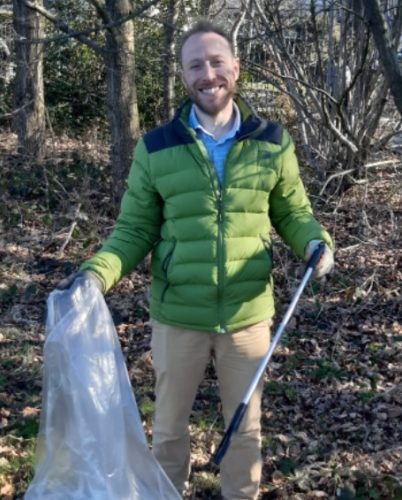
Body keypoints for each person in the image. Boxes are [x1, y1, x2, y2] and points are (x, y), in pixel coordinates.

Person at [58, 20, 334, 500]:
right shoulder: (157, 147)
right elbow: (134, 229)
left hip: (248, 315)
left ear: (235, 67)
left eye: (215, 61)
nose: (208, 74)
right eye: (195, 65)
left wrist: (315, 242)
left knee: (245, 431)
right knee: (167, 430)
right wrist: (96, 273)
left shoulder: (273, 140)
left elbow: (293, 211)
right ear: (184, 76)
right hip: (178, 315)